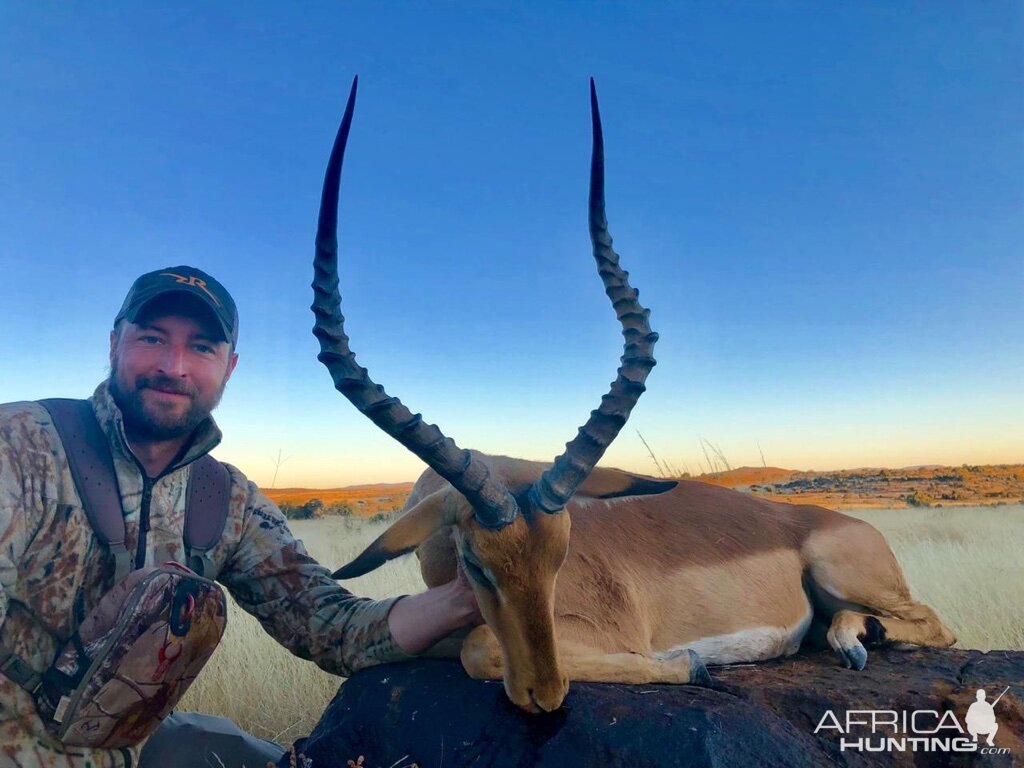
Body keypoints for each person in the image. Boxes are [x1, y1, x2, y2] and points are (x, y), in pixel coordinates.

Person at [0, 266, 481, 768]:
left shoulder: (226, 498)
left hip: (130, 749)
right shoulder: (19, 447)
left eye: (203, 347)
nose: (174, 365)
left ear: (229, 368)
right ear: (114, 343)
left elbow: (331, 627)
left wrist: (467, 596)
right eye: (152, 338)